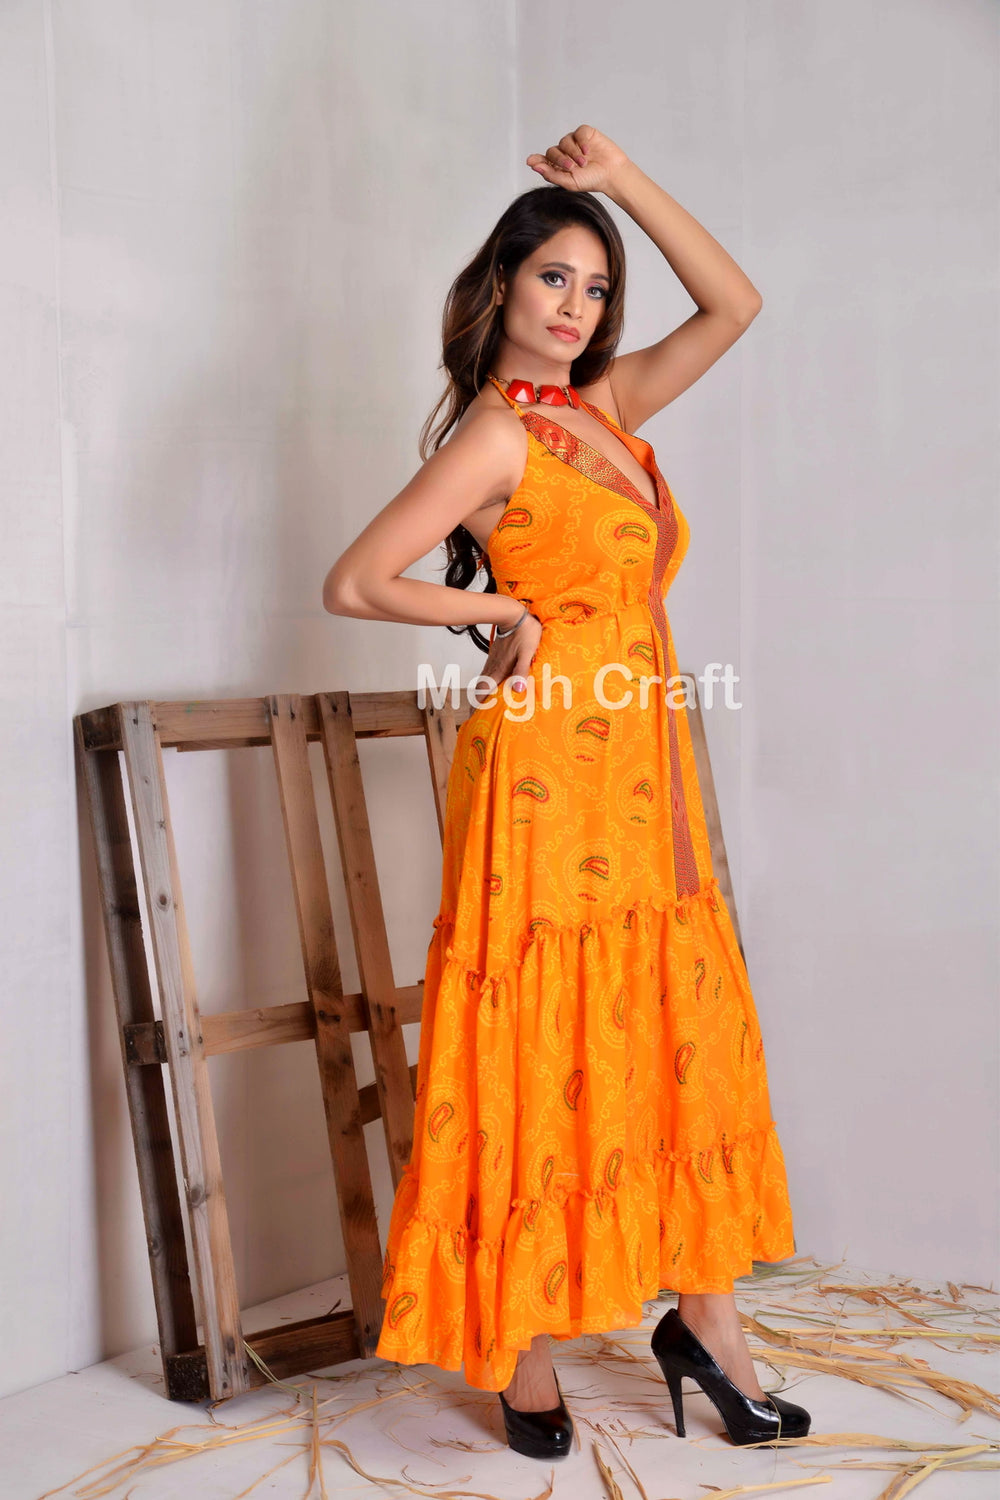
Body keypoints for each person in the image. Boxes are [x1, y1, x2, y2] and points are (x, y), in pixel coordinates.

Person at [322, 123, 810, 1461]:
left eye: (596, 287)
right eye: (555, 278)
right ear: (503, 284)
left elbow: (736, 305)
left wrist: (623, 185)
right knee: (534, 1037)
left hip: (642, 772)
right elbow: (357, 580)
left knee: (668, 1023)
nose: (577, 305)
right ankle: (520, 1341)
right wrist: (505, 612)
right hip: (543, 777)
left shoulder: (607, 410)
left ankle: (708, 1328)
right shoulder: (496, 435)